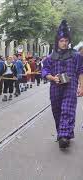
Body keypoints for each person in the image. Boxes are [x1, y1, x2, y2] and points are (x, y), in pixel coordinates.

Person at [42, 20, 83, 149]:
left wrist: (81, 86)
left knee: (67, 109)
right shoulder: (49, 57)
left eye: (66, 40)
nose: (64, 43)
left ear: (68, 41)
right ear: (57, 41)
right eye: (61, 41)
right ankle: (63, 133)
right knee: (57, 111)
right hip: (55, 87)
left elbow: (81, 71)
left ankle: (64, 136)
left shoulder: (76, 56)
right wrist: (52, 78)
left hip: (70, 87)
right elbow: (45, 71)